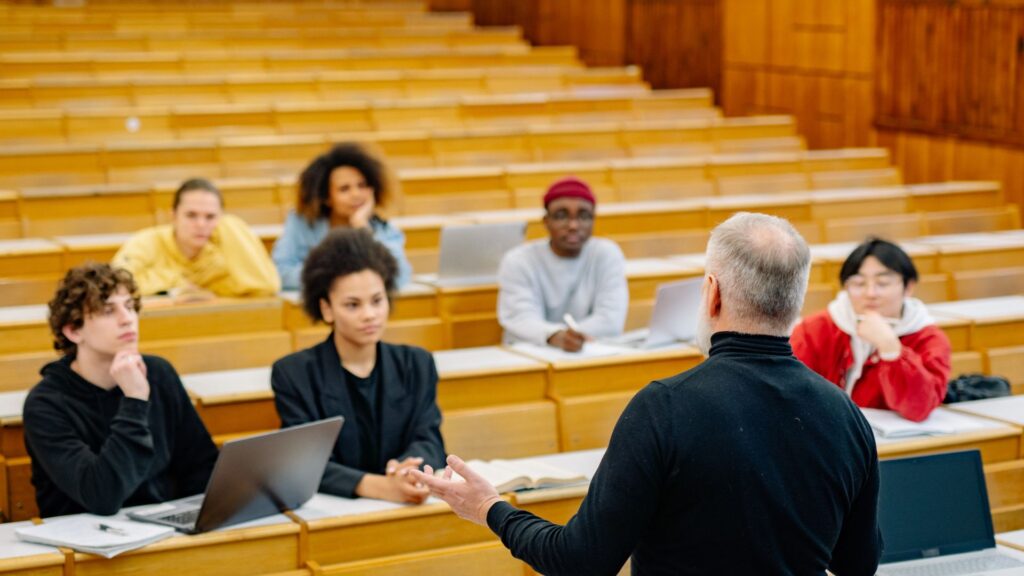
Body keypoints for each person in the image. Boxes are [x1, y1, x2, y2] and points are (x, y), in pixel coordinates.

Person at [413, 212, 882, 575]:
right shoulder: (845, 415)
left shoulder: (665, 408)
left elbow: (581, 561)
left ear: (712, 293)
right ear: (794, 300)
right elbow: (857, 565)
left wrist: (489, 509)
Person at [23, 263, 219, 517]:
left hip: (164, 531)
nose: (127, 319)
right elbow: (103, 496)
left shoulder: (159, 373)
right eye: (108, 311)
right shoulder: (45, 404)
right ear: (73, 330)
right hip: (85, 544)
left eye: (129, 307)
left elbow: (201, 466)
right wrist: (135, 400)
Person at [270, 228, 444, 504]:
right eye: (352, 305)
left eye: (377, 300)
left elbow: (430, 440)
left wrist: (408, 470)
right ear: (326, 309)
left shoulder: (417, 364)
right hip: (334, 510)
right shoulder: (294, 374)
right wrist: (381, 486)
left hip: (405, 506)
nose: (369, 315)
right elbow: (304, 463)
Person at [791, 237, 951, 422]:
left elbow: (919, 408)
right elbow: (793, 391)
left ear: (909, 287)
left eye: (882, 283)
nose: (870, 294)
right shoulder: (816, 329)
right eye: (859, 284)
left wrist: (891, 350)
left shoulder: (928, 338)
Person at [497, 176, 627, 351]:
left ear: (593, 220)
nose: (573, 225)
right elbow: (520, 318)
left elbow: (611, 319)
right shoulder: (518, 260)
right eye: (561, 216)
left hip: (591, 353)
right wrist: (555, 336)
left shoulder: (606, 253)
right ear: (546, 221)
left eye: (584, 216)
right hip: (531, 354)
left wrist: (570, 338)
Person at [271, 142, 412, 291]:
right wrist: (340, 276)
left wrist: (362, 228)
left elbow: (400, 276)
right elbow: (280, 272)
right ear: (326, 198)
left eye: (362, 186)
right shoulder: (302, 223)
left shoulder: (380, 228)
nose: (356, 194)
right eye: (344, 189)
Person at [112, 178, 280, 299]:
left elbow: (265, 286)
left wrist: (230, 224)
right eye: (191, 215)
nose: (201, 224)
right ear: (174, 216)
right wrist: (178, 283)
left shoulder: (218, 256)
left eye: (210, 217)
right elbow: (115, 285)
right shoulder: (146, 242)